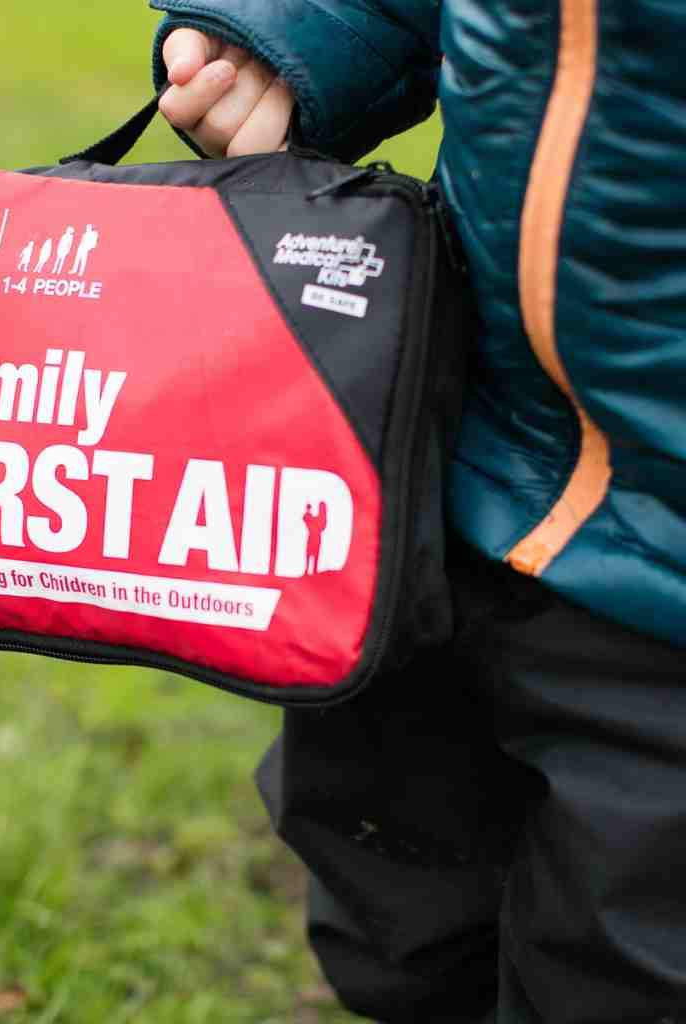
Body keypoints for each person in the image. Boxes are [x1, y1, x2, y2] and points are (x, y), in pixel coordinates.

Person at [151, 5, 686, 1023]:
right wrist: (292, 32)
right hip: (452, 443)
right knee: (391, 871)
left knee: (633, 953)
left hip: (664, 565)